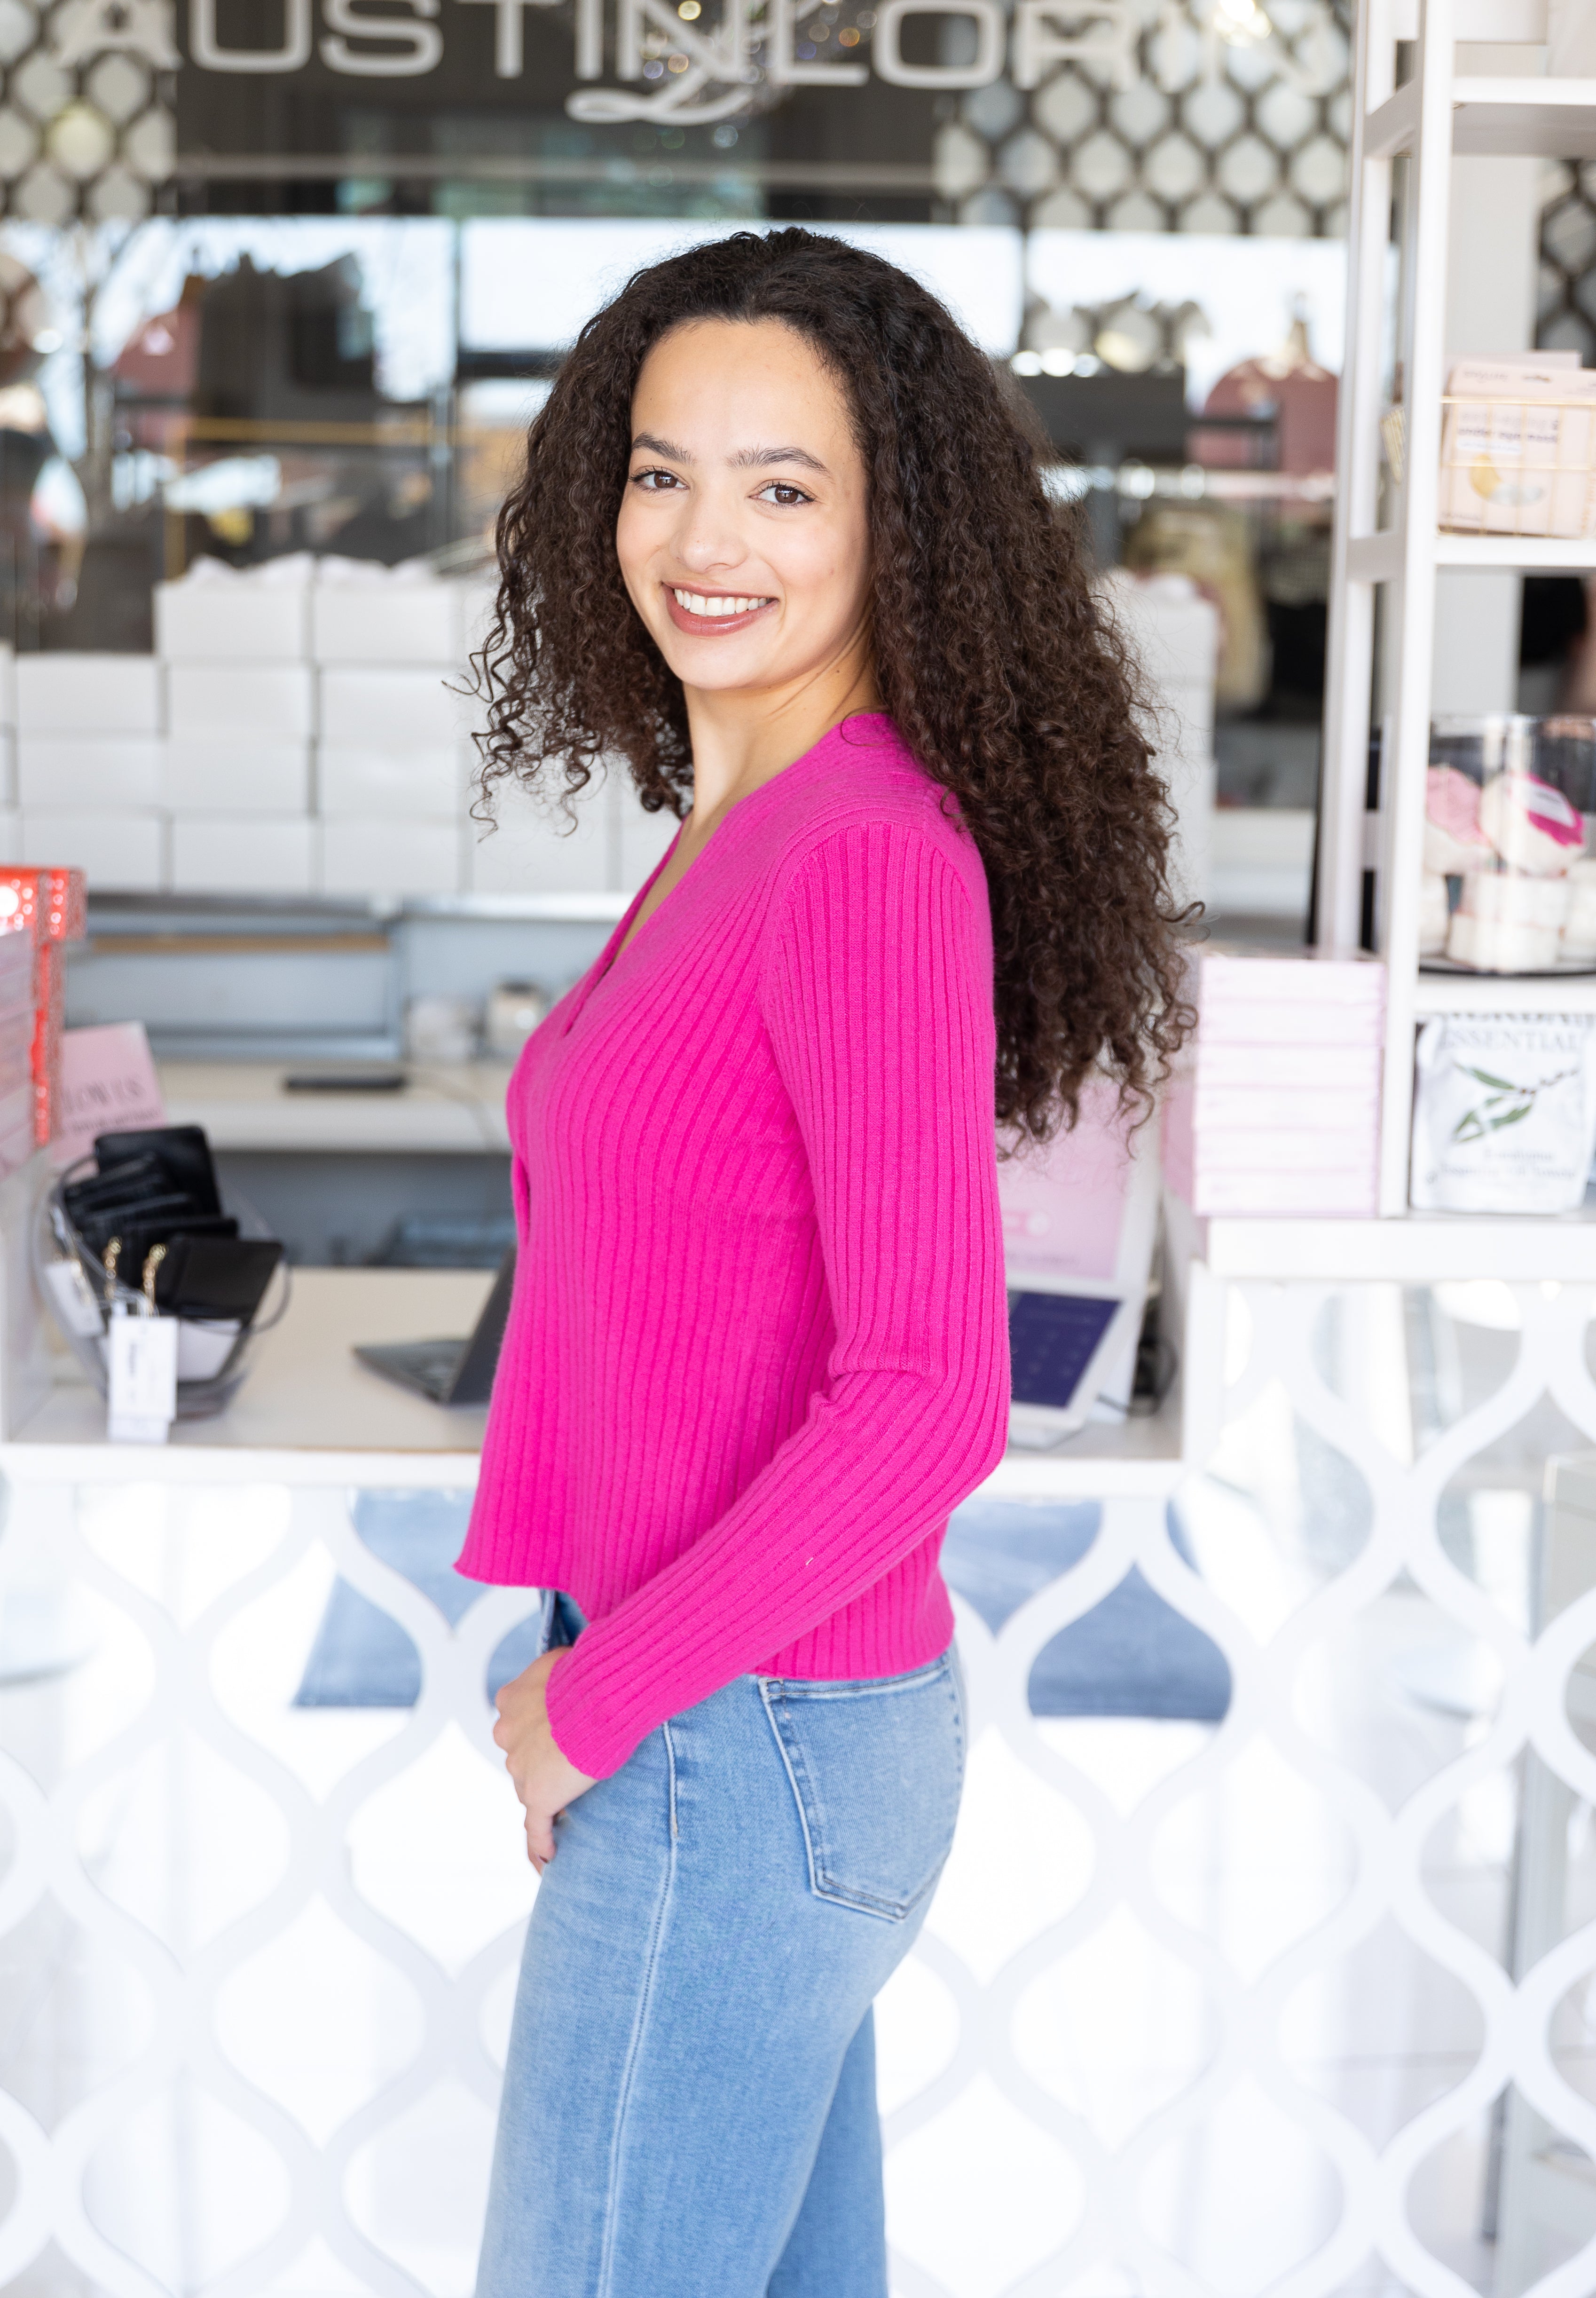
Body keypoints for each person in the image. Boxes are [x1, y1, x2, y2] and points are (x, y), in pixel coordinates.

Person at [457, 227, 1190, 2298]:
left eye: (785, 488)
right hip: (741, 1724)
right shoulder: (740, 814)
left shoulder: (863, 852)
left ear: (902, 529)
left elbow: (930, 1394)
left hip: (737, 1736)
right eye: (662, 470)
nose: (707, 539)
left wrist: (596, 1703)